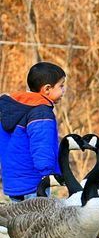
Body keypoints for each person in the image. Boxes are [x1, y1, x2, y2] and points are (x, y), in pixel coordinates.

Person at [0, 62, 67, 202]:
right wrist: (47, 173)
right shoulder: (41, 112)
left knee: (18, 222)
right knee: (38, 222)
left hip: (13, 182)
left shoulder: (11, 108)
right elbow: (42, 146)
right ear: (47, 89)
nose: (64, 90)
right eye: (61, 86)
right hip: (35, 182)